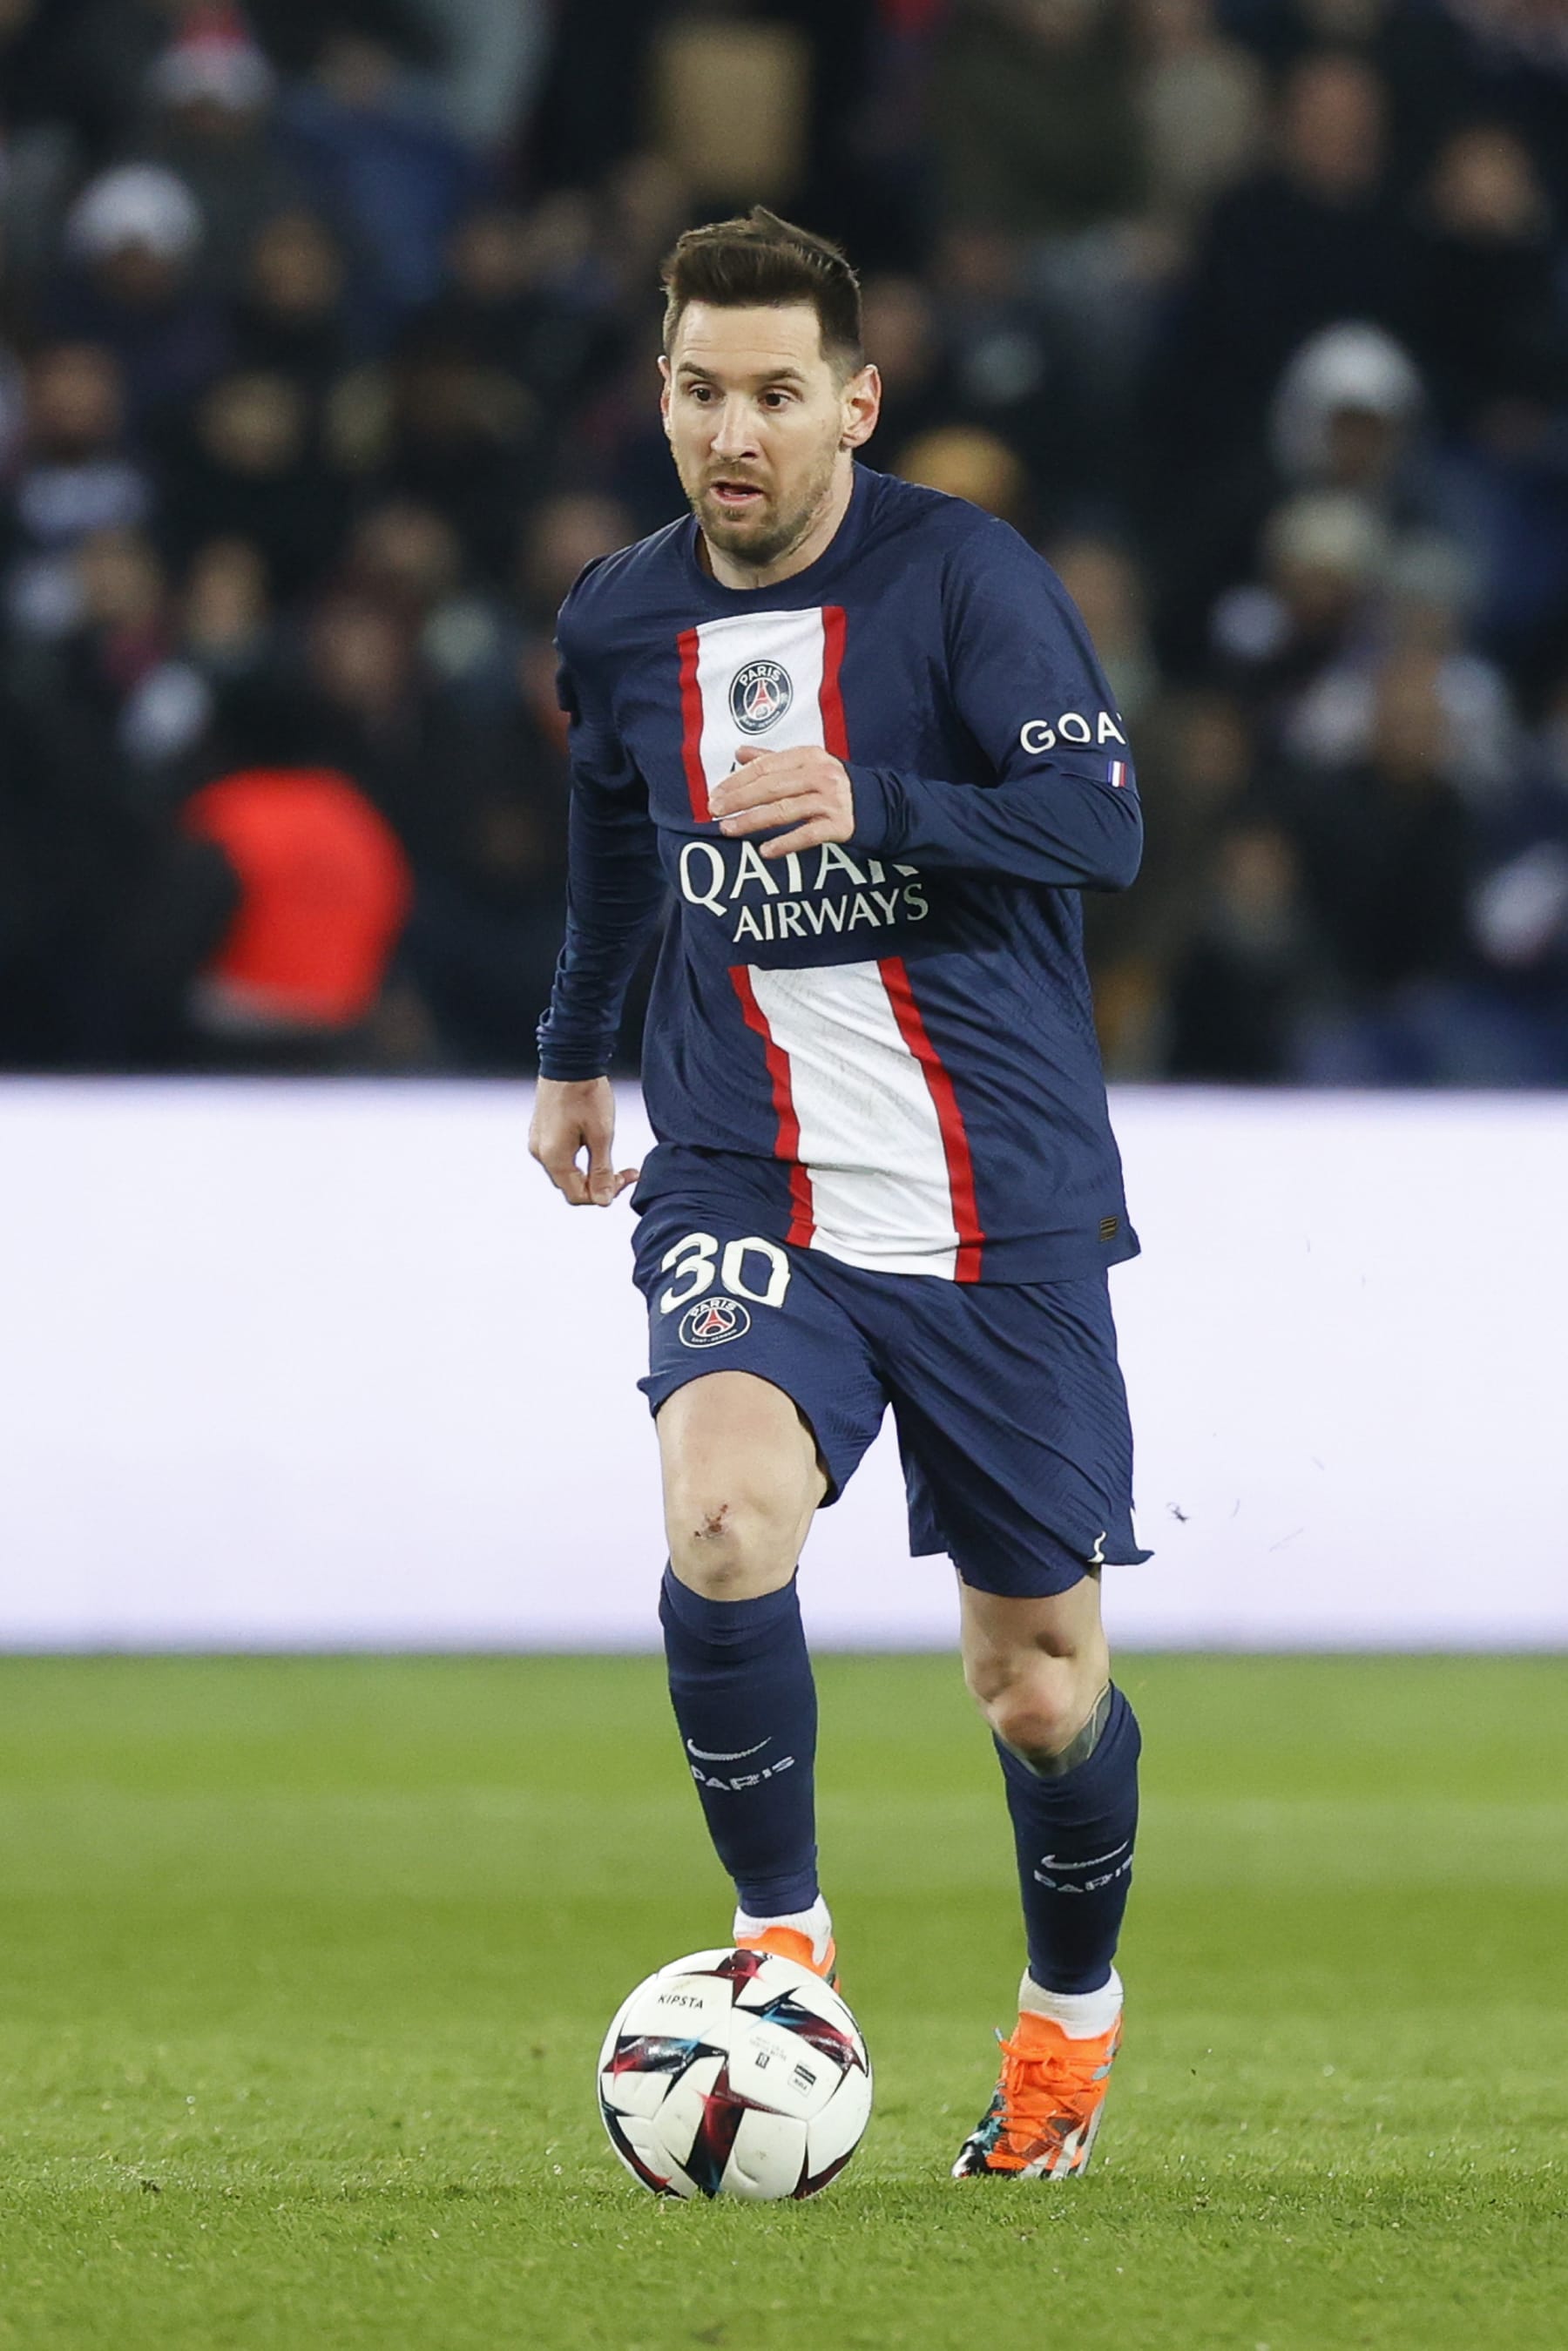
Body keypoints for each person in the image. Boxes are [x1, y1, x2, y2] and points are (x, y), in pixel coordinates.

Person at [529, 209, 1149, 2183]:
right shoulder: (622, 620)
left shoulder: (968, 583)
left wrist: (882, 804)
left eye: (779, 393)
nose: (738, 428)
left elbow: (1099, 822)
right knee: (722, 1520)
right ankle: (783, 1943)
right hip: (748, 1167)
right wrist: (572, 1049)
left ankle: (1067, 2025)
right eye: (703, 387)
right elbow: (616, 847)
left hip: (992, 1198)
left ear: (856, 405)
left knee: (1036, 1688)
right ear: (661, 395)